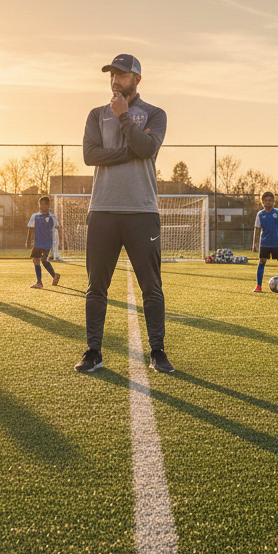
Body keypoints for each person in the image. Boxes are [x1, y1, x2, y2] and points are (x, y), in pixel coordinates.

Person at [75, 54, 172, 374]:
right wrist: (127, 151)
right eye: (112, 74)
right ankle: (93, 352)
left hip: (142, 211)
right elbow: (90, 155)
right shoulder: (95, 114)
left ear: (137, 80)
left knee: (151, 287)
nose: (115, 79)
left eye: (122, 74)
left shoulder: (155, 114)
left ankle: (157, 352)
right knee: (95, 287)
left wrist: (124, 118)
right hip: (102, 210)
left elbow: (146, 150)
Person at [26, 195, 64, 289]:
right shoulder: (35, 216)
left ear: (48, 206)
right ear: (39, 205)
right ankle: (40, 282)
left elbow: (59, 228)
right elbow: (30, 229)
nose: (42, 206)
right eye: (41, 204)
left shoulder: (51, 217)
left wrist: (61, 242)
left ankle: (53, 275)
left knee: (43, 260)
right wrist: (28, 241)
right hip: (37, 243)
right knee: (35, 260)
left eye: (45, 204)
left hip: (47, 243)